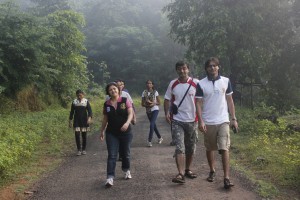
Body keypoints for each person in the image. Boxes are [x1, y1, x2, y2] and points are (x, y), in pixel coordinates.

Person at [195, 57, 238, 189]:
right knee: (210, 148)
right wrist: (200, 121)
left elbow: (230, 100)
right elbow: (198, 103)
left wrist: (234, 118)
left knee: (224, 148)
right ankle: (212, 170)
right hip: (208, 121)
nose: (212, 68)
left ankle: (226, 177)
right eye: (209, 66)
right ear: (206, 69)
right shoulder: (201, 84)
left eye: (214, 66)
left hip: (223, 120)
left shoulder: (226, 81)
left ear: (218, 67)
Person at [164, 61, 199, 184]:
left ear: (188, 69)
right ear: (177, 71)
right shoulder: (173, 84)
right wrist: (167, 113)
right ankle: (180, 173)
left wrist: (203, 117)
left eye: (184, 68)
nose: (182, 71)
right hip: (177, 120)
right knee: (180, 147)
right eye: (179, 69)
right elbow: (167, 99)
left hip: (193, 121)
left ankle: (187, 169)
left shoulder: (196, 83)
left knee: (191, 148)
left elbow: (202, 100)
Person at [100, 82, 134, 187]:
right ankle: (110, 177)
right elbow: (105, 119)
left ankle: (126, 170)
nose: (113, 91)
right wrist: (102, 130)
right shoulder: (107, 104)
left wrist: (127, 123)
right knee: (112, 155)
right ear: (108, 92)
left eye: (114, 89)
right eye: (110, 90)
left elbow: (130, 113)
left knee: (125, 153)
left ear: (118, 90)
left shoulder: (124, 100)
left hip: (126, 132)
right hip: (111, 133)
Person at [69, 89, 92, 156]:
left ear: (83, 95)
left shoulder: (86, 101)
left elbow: (90, 110)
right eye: (78, 95)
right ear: (76, 95)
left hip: (84, 121)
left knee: (84, 135)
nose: (79, 96)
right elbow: (72, 112)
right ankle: (79, 150)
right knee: (77, 135)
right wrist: (70, 121)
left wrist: (89, 118)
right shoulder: (74, 102)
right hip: (76, 121)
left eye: (81, 95)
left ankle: (84, 149)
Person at [141, 80, 163, 147]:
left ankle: (149, 140)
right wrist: (147, 104)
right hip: (148, 110)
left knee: (151, 124)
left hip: (155, 109)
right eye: (147, 83)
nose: (148, 84)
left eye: (150, 83)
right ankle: (160, 137)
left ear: (152, 85)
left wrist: (153, 103)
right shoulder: (144, 92)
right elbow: (142, 104)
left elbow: (159, 103)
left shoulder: (155, 92)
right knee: (154, 126)